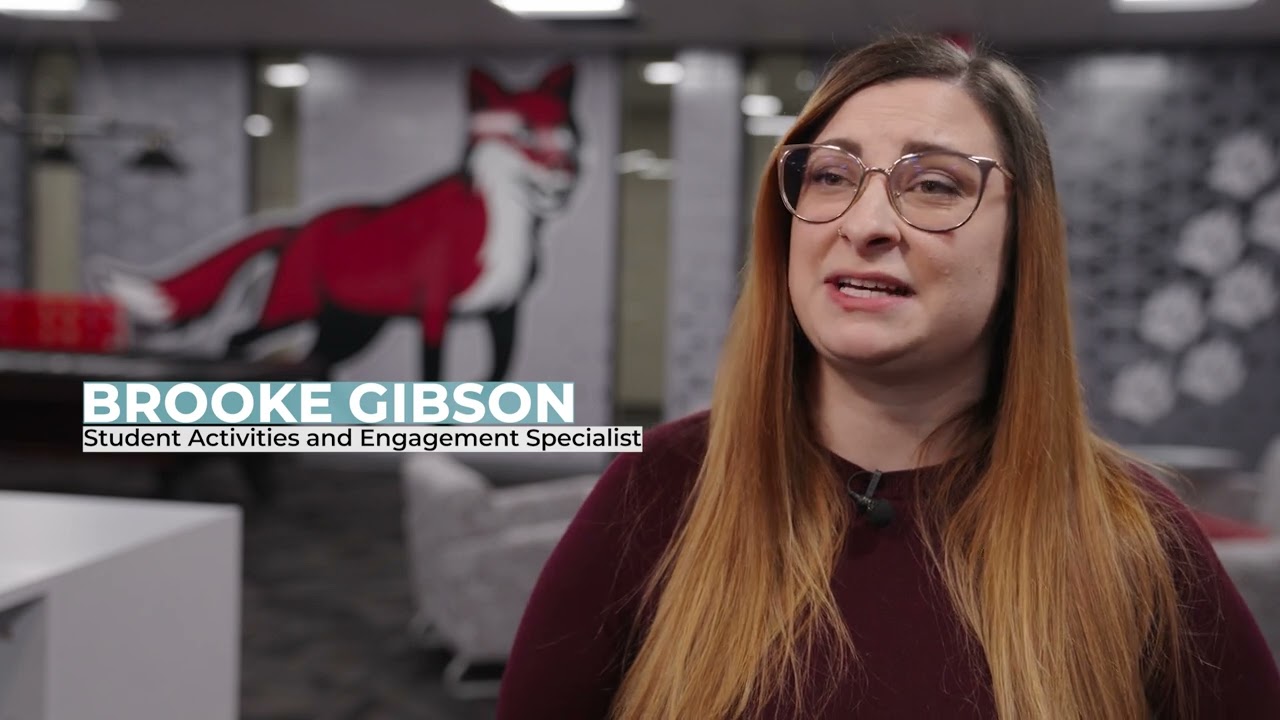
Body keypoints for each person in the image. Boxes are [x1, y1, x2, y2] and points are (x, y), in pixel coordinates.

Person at [495, 33, 1280, 719]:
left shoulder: (1137, 542)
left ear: (1019, 250)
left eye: (935, 185)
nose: (865, 224)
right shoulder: (658, 493)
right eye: (832, 177)